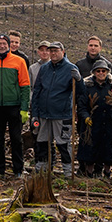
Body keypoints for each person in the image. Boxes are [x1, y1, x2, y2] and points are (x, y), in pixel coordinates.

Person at [31, 41, 80, 178]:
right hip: (44, 114)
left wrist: (79, 80)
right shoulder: (44, 68)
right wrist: (35, 113)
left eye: (56, 51)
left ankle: (68, 173)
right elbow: (37, 91)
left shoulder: (71, 68)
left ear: (63, 52)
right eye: (51, 51)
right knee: (41, 143)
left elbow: (79, 92)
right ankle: (42, 172)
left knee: (63, 144)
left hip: (61, 115)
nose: (53, 53)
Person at [0, 33, 30, 178]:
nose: (2, 46)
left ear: (9, 45)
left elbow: (25, 86)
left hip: (14, 106)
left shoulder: (19, 61)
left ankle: (18, 169)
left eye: (5, 43)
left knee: (16, 139)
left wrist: (24, 109)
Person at [76, 58, 112, 178]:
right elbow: (81, 106)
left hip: (108, 123)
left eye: (103, 71)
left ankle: (107, 173)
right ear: (94, 73)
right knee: (90, 149)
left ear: (107, 72)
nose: (101, 73)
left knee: (108, 149)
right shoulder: (87, 87)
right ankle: (89, 174)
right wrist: (86, 117)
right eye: (98, 71)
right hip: (92, 124)